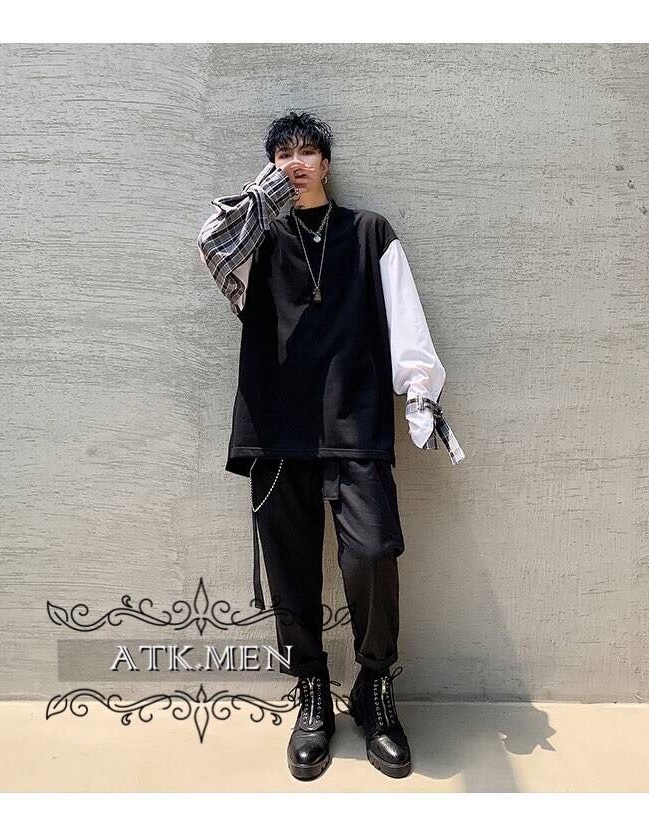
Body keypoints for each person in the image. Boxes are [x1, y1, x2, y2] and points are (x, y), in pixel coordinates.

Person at [197, 110, 464, 781]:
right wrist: (264, 198)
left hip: (355, 420)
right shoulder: (255, 237)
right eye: (281, 154)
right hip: (275, 427)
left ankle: (374, 688)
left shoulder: (369, 232)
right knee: (289, 567)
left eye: (306, 151)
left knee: (373, 552)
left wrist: (420, 392)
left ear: (326, 162)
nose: (295, 162)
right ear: (269, 167)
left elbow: (404, 314)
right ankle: (311, 688)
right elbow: (211, 245)